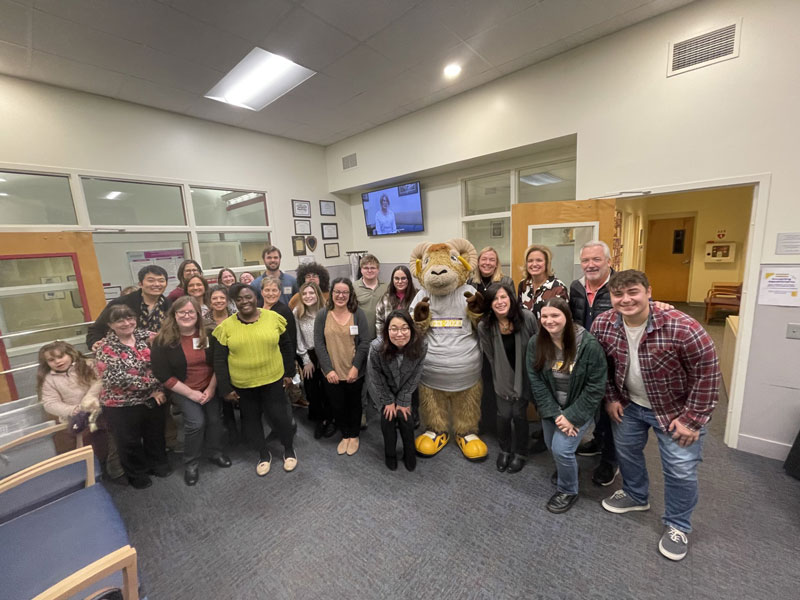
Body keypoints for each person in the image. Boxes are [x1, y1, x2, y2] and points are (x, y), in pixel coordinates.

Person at [592, 270, 720, 561]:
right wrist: (611, 397)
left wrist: (693, 420)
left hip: (677, 411)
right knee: (627, 454)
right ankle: (636, 496)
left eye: (633, 292)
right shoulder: (603, 324)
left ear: (648, 291)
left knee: (680, 469)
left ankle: (677, 524)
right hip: (630, 405)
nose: (625, 300)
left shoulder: (682, 327)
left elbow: (708, 374)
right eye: (618, 294)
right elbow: (601, 366)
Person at [526, 298, 607, 513]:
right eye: (545, 316)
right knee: (551, 444)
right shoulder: (536, 343)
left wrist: (571, 416)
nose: (549, 321)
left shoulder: (588, 345)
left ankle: (568, 489)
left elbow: (595, 387)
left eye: (555, 315)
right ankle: (568, 470)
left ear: (567, 317)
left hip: (579, 406)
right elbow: (536, 381)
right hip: (552, 406)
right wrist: (555, 414)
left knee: (562, 449)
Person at [212, 283, 297, 476]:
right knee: (252, 421)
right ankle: (263, 454)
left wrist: (289, 373)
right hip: (244, 385)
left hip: (273, 380)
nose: (244, 302)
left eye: (248, 297)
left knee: (280, 417)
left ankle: (289, 449)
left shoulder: (274, 318)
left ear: (256, 297)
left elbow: (286, 346)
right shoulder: (225, 327)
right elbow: (219, 360)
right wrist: (225, 388)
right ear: (235, 302)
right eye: (239, 299)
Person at [151, 297, 231, 486]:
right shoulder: (162, 340)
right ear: (174, 315)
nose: (187, 316)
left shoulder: (209, 335)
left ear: (198, 314)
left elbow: (218, 364)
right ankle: (191, 463)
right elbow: (162, 375)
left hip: (208, 386)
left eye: (191, 312)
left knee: (214, 421)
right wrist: (190, 393)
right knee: (196, 423)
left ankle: (215, 453)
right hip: (182, 388)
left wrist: (211, 389)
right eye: (182, 312)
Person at [94, 304, 169, 489]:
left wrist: (159, 390)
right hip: (121, 403)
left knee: (155, 434)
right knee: (129, 440)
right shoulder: (105, 347)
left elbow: (163, 362)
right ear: (110, 324)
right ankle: (137, 474)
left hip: (153, 397)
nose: (127, 323)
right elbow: (115, 378)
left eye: (130, 318)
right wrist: (153, 384)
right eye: (120, 320)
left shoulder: (147, 337)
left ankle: (157, 464)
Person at [568, 240, 619, 487]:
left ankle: (610, 460)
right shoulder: (576, 287)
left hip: (613, 360)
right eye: (586, 260)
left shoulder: (620, 287)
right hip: (584, 358)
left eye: (596, 259)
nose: (590, 265)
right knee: (593, 406)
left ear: (609, 261)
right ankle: (598, 441)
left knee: (611, 410)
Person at [37, 340, 122, 479]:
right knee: (86, 445)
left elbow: (101, 381)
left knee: (108, 439)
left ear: (70, 354)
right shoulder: (48, 379)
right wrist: (73, 410)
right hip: (77, 418)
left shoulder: (88, 365)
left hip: (100, 410)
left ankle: (112, 465)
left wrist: (90, 398)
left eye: (61, 356)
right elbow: (49, 403)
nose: (58, 361)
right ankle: (91, 471)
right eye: (51, 360)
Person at [477, 282, 538, 474]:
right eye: (495, 299)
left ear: (511, 298)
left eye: (503, 297)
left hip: (525, 376)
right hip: (502, 376)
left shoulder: (527, 317)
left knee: (519, 415)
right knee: (503, 416)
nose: (500, 301)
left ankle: (520, 452)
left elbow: (538, 345)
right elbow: (491, 356)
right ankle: (504, 450)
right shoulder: (485, 325)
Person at [314, 278, 370, 456]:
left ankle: (354, 435)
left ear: (350, 294)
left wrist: (355, 367)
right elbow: (319, 344)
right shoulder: (323, 315)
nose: (340, 296)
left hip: (354, 370)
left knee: (355, 404)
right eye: (337, 292)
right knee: (337, 405)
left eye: (344, 292)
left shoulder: (357, 314)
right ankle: (345, 435)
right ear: (331, 293)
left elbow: (364, 342)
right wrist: (328, 369)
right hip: (332, 372)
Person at [368, 310, 426, 471]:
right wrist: (388, 401)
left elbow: (416, 375)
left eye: (404, 328)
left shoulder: (421, 345)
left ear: (411, 329)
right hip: (383, 389)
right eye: (394, 328)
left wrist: (403, 400)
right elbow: (376, 377)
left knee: (406, 419)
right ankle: (390, 454)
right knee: (387, 419)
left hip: (407, 388)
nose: (399, 333)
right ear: (387, 331)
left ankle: (409, 453)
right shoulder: (376, 348)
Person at [467, 246, 515, 438]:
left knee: (499, 379)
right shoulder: (470, 283)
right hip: (474, 339)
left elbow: (511, 309)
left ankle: (501, 423)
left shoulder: (506, 282)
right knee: (482, 381)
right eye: (483, 259)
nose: (487, 263)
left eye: (491, 260)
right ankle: (484, 421)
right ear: (478, 262)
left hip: (498, 338)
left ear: (497, 263)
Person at [86, 265, 171, 349]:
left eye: (161, 281)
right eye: (151, 280)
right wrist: (94, 342)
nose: (156, 284)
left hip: (161, 352)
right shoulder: (121, 303)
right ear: (140, 284)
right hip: (125, 354)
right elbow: (96, 329)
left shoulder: (170, 305)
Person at [294, 281, 335, 439]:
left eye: (311, 293)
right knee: (312, 389)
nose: (308, 296)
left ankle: (329, 419)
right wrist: (305, 360)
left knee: (328, 388)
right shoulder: (297, 312)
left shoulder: (326, 311)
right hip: (308, 354)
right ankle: (320, 419)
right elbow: (298, 338)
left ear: (317, 294)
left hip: (327, 353)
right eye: (304, 294)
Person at [204, 284, 240, 445]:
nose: (218, 301)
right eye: (214, 298)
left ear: (227, 300)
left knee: (242, 400)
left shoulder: (237, 316)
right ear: (209, 301)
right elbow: (201, 345)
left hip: (237, 363)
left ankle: (247, 431)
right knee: (224, 403)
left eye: (222, 298)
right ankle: (231, 432)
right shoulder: (203, 321)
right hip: (215, 366)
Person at [354, 254, 388, 428]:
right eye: (366, 268)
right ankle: (362, 411)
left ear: (378, 269)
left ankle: (380, 404)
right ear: (361, 270)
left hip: (381, 339)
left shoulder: (386, 287)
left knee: (380, 376)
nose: (369, 270)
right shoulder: (354, 287)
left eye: (373, 268)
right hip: (361, 341)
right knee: (361, 377)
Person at [517, 244, 568, 321]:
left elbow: (564, 320)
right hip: (527, 332)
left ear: (547, 263)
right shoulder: (523, 285)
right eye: (530, 261)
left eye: (539, 260)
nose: (534, 264)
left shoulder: (558, 287)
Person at [375, 265, 418, 338]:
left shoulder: (417, 297)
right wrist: (382, 339)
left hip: (412, 340)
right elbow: (379, 321)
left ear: (409, 280)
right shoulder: (385, 298)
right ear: (392, 280)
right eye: (397, 278)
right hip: (391, 341)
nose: (400, 281)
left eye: (403, 278)